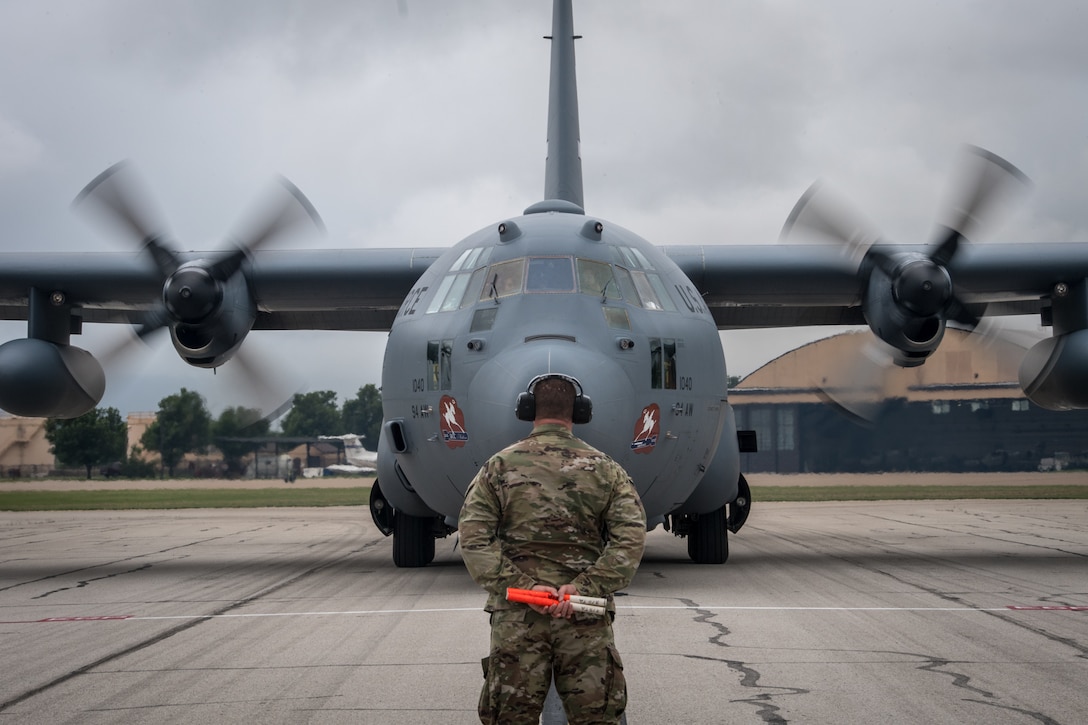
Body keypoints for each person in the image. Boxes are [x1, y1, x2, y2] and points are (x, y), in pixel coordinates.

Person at [458, 373, 647, 724]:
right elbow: (629, 540)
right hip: (583, 615)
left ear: (527, 409)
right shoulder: (606, 470)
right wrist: (585, 588)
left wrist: (527, 590)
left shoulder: (497, 468)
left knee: (511, 717)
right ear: (580, 412)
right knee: (596, 716)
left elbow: (474, 540)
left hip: (518, 617)